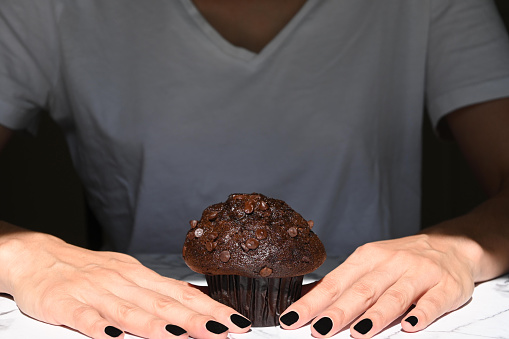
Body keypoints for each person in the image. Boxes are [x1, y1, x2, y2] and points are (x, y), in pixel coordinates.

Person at [1, 0, 509, 338]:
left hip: (384, 317)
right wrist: (28, 258)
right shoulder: (44, 9)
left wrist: (459, 244)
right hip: (138, 317)